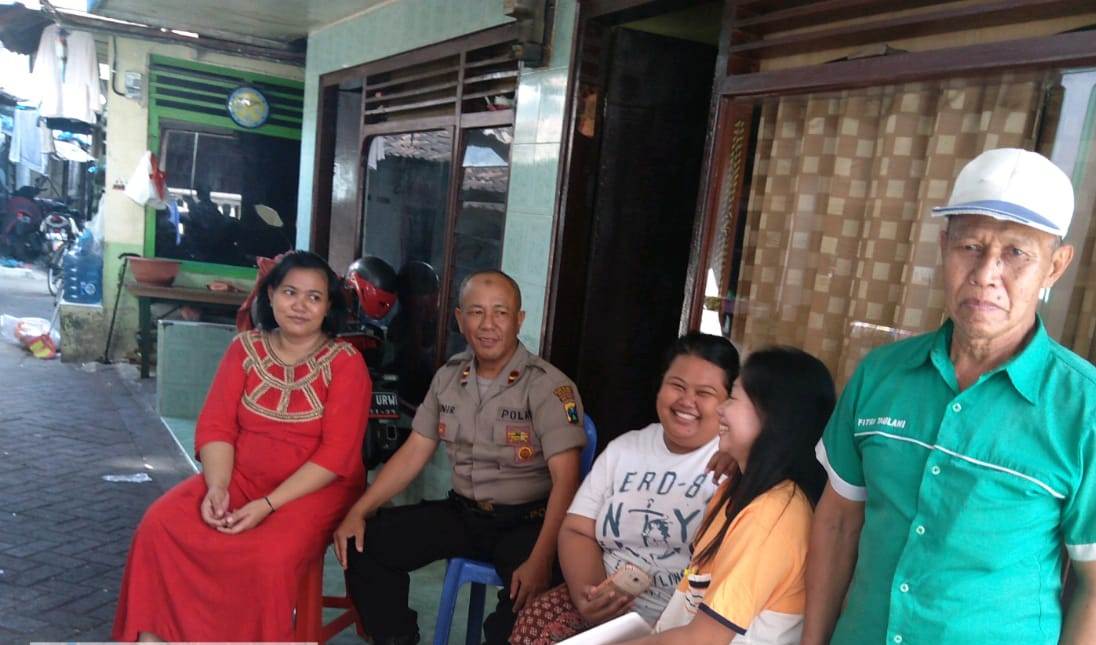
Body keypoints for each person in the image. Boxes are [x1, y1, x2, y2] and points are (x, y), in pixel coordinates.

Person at [802, 148, 1096, 645]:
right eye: (970, 246)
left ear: (1055, 267)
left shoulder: (1083, 409)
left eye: (1016, 253)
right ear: (944, 246)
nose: (985, 273)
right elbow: (838, 524)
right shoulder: (881, 374)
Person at [112, 251, 371, 642]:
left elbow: (336, 456)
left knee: (266, 556)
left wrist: (267, 505)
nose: (300, 305)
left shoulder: (346, 363)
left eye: (314, 297)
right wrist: (217, 486)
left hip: (317, 490)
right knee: (159, 525)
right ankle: (158, 637)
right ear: (270, 295)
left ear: (328, 306)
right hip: (240, 476)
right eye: (290, 292)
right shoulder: (244, 348)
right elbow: (217, 426)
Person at [334, 269, 587, 645]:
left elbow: (567, 482)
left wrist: (541, 558)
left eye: (501, 313)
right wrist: (359, 510)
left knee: (522, 616)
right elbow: (415, 451)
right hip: (463, 514)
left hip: (526, 524)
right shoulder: (449, 378)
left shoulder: (549, 386)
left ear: (519, 320)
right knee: (365, 543)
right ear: (458, 318)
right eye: (476, 312)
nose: (488, 325)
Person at [509, 332, 740, 644]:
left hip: (684, 619)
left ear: (728, 404)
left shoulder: (736, 465)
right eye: (677, 386)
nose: (687, 401)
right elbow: (577, 530)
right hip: (607, 604)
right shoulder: (624, 449)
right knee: (535, 623)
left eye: (705, 393)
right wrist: (590, 597)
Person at [620, 346, 836, 645]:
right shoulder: (738, 491)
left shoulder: (772, 516)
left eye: (733, 398)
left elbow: (704, 639)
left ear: (774, 417)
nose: (721, 409)